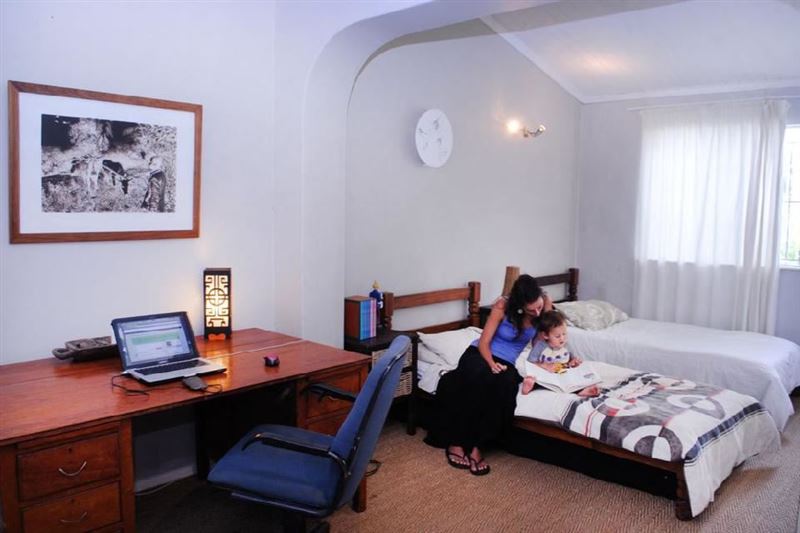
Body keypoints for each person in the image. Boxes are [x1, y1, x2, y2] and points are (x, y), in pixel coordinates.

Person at [425, 274, 551, 476]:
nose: (537, 312)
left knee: (505, 385)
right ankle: (457, 442)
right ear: (519, 306)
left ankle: (477, 446)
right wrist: (492, 364)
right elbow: (484, 342)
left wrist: (542, 361)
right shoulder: (502, 306)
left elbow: (538, 342)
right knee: (477, 378)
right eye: (531, 310)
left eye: (538, 307)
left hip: (507, 362)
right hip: (480, 354)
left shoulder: (545, 305)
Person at [520, 310, 599, 397]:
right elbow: (530, 361)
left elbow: (571, 359)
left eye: (564, 334)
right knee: (538, 379)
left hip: (562, 372)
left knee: (572, 380)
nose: (562, 338)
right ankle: (528, 387)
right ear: (545, 335)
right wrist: (544, 365)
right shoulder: (540, 346)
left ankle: (581, 390)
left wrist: (574, 362)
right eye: (557, 336)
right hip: (548, 373)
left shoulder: (566, 345)